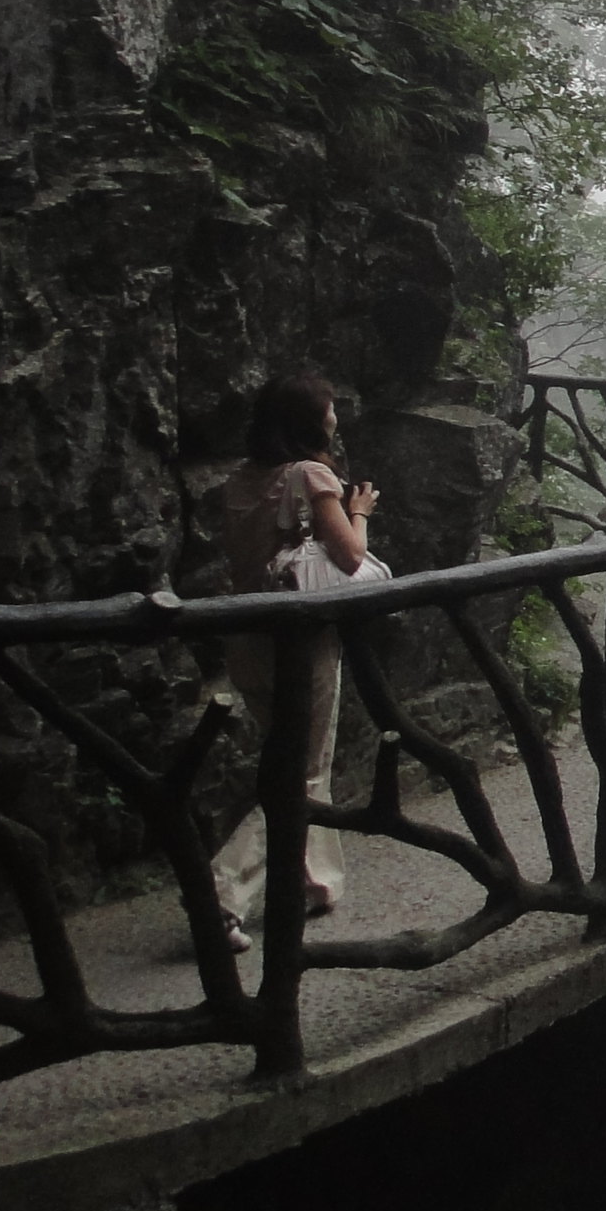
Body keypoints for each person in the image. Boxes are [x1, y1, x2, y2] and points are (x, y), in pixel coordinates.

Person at [209, 372, 381, 953]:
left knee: (294, 758)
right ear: (309, 420)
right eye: (329, 408)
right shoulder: (311, 475)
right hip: (298, 641)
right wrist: (358, 510)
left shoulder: (239, 479)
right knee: (302, 768)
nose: (335, 415)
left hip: (246, 636)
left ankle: (313, 881)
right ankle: (221, 892)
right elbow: (350, 556)